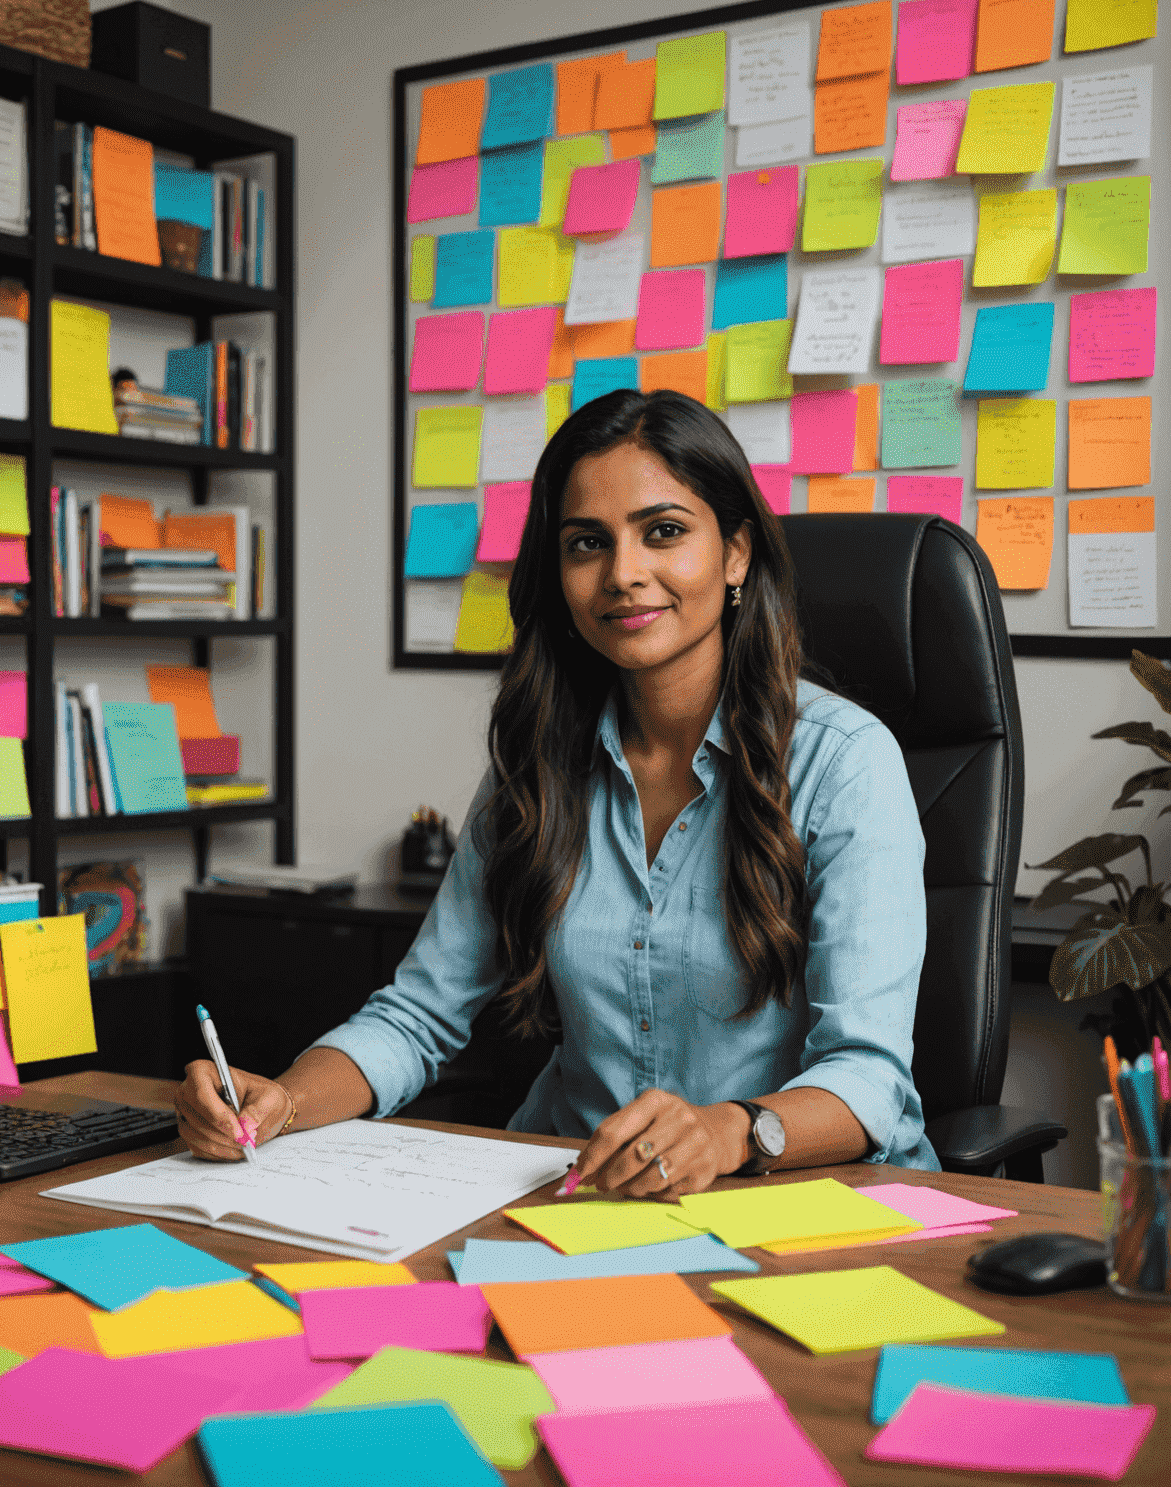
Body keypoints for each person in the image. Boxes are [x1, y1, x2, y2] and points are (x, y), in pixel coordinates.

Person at [176, 389, 939, 1195]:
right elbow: (419, 1015)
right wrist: (283, 1102)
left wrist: (725, 1131)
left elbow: (868, 1081)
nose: (624, 575)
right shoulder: (538, 766)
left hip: (798, 1204)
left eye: (665, 532)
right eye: (586, 544)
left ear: (737, 553)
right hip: (584, 1202)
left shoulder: (845, 763)